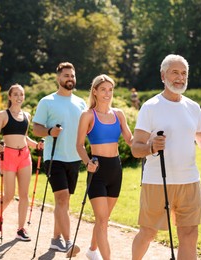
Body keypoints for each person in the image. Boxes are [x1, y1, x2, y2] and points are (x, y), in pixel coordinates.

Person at [131, 54, 201, 260]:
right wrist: (150, 147)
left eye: (184, 73)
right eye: (175, 72)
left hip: (190, 181)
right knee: (148, 233)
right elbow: (135, 147)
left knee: (190, 234)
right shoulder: (150, 106)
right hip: (157, 181)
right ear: (163, 75)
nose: (180, 77)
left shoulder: (193, 107)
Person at [76, 74, 133, 260]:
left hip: (115, 170)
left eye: (110, 89)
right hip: (97, 170)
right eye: (103, 89)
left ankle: (92, 250)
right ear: (95, 91)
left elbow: (131, 140)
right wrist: (87, 163)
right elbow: (79, 145)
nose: (107, 93)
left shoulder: (119, 114)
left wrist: (149, 144)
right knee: (101, 220)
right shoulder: (88, 115)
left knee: (104, 218)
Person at [33, 62, 87, 252]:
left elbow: (86, 128)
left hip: (74, 158)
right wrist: (49, 131)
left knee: (64, 202)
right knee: (62, 198)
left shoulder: (81, 102)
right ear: (58, 78)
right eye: (66, 75)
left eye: (72, 75)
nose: (70, 78)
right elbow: (36, 128)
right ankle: (69, 242)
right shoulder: (47, 101)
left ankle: (55, 239)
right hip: (54, 157)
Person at [0, 84, 43, 241]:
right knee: (8, 196)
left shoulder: (26, 116)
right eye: (15, 94)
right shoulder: (3, 115)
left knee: (24, 195)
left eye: (21, 94)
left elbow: (25, 138)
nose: (19, 97)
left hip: (24, 157)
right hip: (9, 156)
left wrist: (37, 145)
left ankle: (21, 229)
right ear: (9, 96)